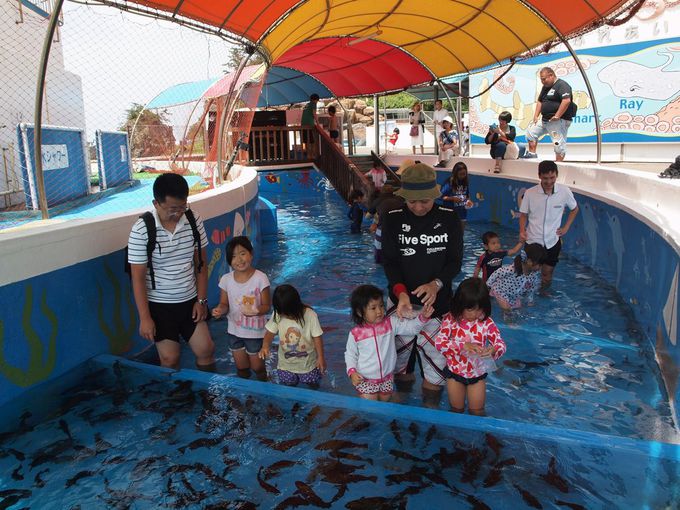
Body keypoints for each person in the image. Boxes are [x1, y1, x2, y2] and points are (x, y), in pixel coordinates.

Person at [381, 163, 464, 406]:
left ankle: (430, 414)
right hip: (402, 308)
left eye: (425, 201)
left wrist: (436, 284)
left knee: (436, 369)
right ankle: (404, 409)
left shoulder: (449, 219)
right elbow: (390, 262)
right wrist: (402, 294)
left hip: (439, 308)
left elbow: (454, 262)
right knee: (400, 364)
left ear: (435, 196)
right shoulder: (392, 219)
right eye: (413, 201)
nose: (418, 207)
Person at [127, 173, 215, 370]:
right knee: (169, 359)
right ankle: (177, 398)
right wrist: (145, 318)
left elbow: (201, 264)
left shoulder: (193, 220)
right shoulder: (141, 230)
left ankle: (208, 397)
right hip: (160, 306)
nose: (178, 213)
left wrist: (201, 301)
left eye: (182, 207)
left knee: (206, 350)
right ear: (156, 203)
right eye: (172, 209)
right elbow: (138, 279)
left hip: (190, 301)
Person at [345, 285, 434, 401]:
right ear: (360, 312)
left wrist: (422, 318)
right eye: (373, 308)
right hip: (365, 379)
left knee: (385, 404)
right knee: (371, 407)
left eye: (381, 306)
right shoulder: (356, 333)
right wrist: (352, 372)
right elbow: (350, 354)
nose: (379, 311)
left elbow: (411, 328)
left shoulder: (390, 323)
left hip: (387, 378)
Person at [434, 278, 506, 415]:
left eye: (479, 309)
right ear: (460, 304)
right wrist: (463, 345)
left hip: (477, 375)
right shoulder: (451, 319)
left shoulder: (486, 322)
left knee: (477, 411)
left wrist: (494, 349)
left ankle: (482, 435)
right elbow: (439, 343)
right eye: (470, 309)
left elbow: (500, 343)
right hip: (455, 374)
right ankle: (455, 436)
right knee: (456, 410)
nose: (475, 314)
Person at [212, 236, 270, 381]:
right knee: (242, 368)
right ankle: (247, 397)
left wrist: (256, 311)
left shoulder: (261, 278)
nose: (239, 260)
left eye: (242, 253)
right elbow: (224, 304)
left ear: (251, 253)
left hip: (255, 334)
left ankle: (264, 388)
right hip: (234, 332)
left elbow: (267, 306)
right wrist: (219, 310)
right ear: (229, 260)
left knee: (258, 368)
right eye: (233, 256)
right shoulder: (226, 279)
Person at [519, 160, 579, 287]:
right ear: (539, 176)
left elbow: (574, 209)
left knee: (547, 274)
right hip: (532, 241)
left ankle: (544, 295)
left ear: (557, 175)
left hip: (552, 241)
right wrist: (522, 231)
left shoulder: (564, 192)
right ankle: (525, 297)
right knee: (527, 272)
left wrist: (566, 227)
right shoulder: (530, 193)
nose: (549, 182)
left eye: (552, 178)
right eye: (545, 178)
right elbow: (523, 214)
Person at [259, 284, 326, 387]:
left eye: (288, 314)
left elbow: (317, 337)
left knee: (312, 384)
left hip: (307, 364)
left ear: (296, 306)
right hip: (285, 364)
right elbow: (270, 333)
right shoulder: (278, 314)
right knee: (288, 385)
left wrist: (321, 357)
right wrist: (265, 346)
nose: (286, 316)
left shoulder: (310, 315)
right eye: (283, 314)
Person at [525, 67, 577, 161]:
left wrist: (557, 115)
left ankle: (558, 165)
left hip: (557, 122)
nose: (542, 81)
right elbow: (540, 101)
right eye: (541, 79)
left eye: (544, 79)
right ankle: (532, 155)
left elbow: (566, 100)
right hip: (545, 120)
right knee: (531, 133)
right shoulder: (545, 87)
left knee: (557, 143)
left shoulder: (562, 85)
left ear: (551, 75)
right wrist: (536, 116)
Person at [486, 243, 546, 310]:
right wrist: (487, 286)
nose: (540, 268)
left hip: (514, 296)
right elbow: (497, 273)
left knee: (519, 308)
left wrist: (530, 301)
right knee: (507, 310)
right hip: (500, 292)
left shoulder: (533, 275)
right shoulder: (512, 269)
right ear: (529, 261)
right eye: (539, 265)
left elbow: (531, 289)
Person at [368, 185, 404, 264]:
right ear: (393, 192)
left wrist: (375, 219)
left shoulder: (377, 201)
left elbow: (368, 216)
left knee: (379, 252)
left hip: (383, 227)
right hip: (400, 228)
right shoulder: (400, 199)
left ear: (381, 192)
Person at [439, 162, 473, 227]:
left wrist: (468, 201)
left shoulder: (465, 182)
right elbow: (441, 196)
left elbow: (467, 195)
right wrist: (453, 198)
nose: (462, 176)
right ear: (455, 173)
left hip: (462, 213)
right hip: (450, 213)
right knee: (451, 234)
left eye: (464, 174)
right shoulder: (449, 182)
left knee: (461, 235)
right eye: (460, 174)